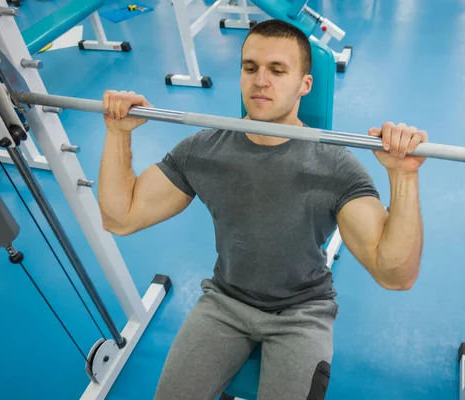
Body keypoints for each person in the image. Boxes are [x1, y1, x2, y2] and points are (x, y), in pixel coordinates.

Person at [97, 19, 426, 400]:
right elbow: (120, 218)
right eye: (250, 68)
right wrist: (118, 133)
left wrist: (404, 177)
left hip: (302, 314)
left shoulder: (335, 166)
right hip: (225, 300)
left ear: (305, 84)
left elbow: (395, 275)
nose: (260, 81)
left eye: (277, 70)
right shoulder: (204, 150)